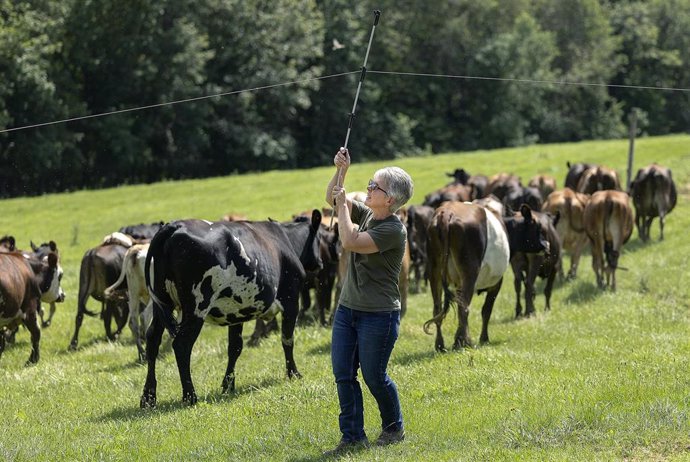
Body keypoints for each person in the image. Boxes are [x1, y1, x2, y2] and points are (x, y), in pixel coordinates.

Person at [323, 147, 413, 456]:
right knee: (344, 375)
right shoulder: (368, 213)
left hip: (379, 316)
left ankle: (393, 427)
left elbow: (349, 241)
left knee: (375, 377)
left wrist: (344, 203)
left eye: (375, 186)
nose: (369, 188)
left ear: (390, 199)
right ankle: (352, 438)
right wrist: (341, 171)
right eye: (370, 184)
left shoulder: (392, 230)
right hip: (348, 310)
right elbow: (331, 199)